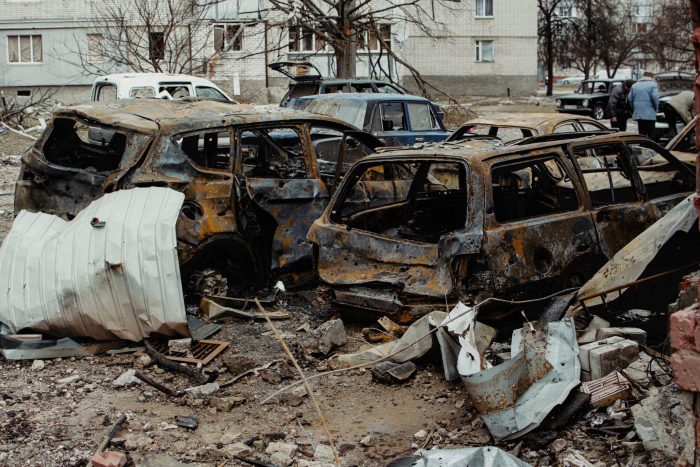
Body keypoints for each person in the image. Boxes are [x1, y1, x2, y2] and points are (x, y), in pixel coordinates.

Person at [628, 71, 659, 139]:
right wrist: (656, 108)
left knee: (642, 133)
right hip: (650, 113)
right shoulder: (653, 85)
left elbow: (630, 98)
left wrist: (634, 108)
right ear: (651, 77)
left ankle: (642, 147)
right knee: (651, 134)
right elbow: (655, 97)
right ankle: (651, 147)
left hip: (639, 113)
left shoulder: (635, 85)